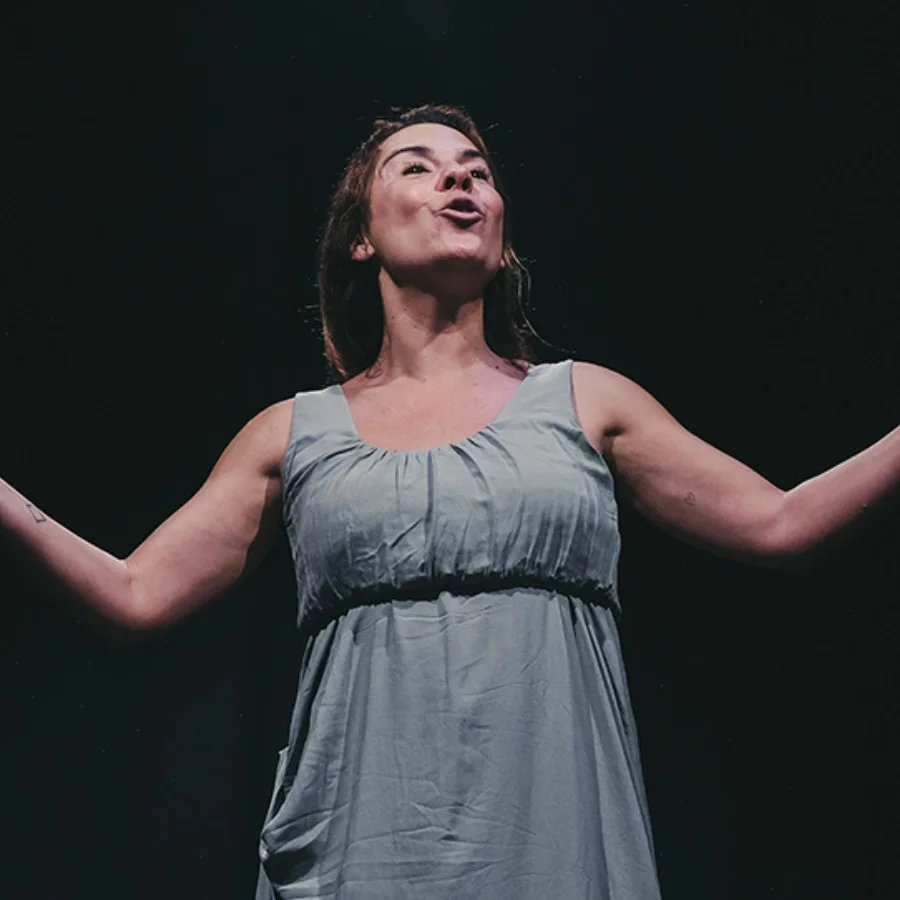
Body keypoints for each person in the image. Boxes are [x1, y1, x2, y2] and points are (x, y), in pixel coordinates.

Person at [1, 103, 897, 899]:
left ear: (501, 233)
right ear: (360, 236)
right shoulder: (292, 433)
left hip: (551, 839)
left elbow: (783, 524)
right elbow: (134, 595)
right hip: (359, 847)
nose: (459, 181)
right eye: (419, 167)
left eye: (477, 171)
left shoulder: (587, 401)